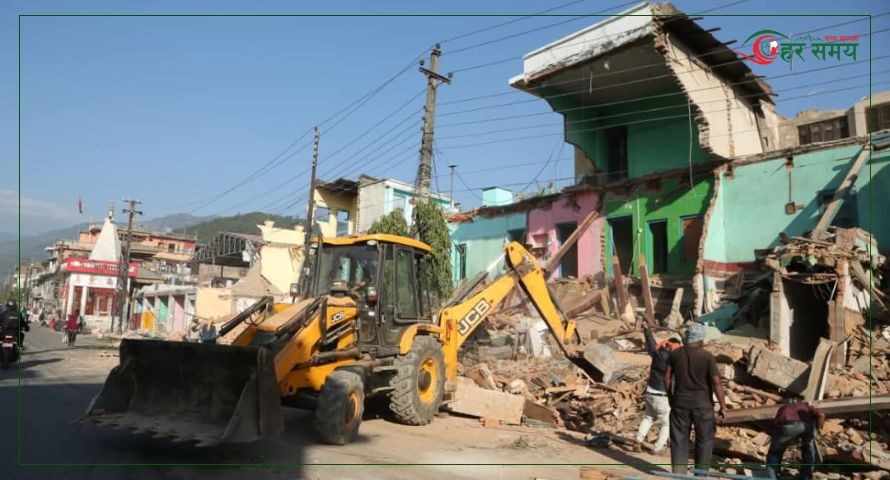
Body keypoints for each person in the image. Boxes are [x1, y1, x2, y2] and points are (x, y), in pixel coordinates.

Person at [664, 323, 727, 476]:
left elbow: (666, 379)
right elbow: (717, 382)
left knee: (679, 440)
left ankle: (679, 473)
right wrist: (723, 406)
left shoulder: (675, 354)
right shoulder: (707, 357)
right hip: (703, 406)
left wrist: (671, 398)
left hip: (680, 404)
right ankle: (700, 474)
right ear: (700, 340)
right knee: (704, 441)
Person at [634, 326, 682, 455]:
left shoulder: (656, 354)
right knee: (667, 423)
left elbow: (650, 342)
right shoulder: (675, 359)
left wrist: (646, 330)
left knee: (649, 417)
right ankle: (657, 448)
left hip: (650, 392)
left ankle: (637, 440)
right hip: (662, 395)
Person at [765, 396, 826, 480]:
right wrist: (818, 429)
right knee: (808, 448)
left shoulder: (783, 408)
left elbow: (776, 424)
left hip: (786, 426)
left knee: (775, 452)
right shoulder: (806, 406)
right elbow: (821, 415)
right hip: (806, 426)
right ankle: (806, 476)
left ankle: (772, 476)